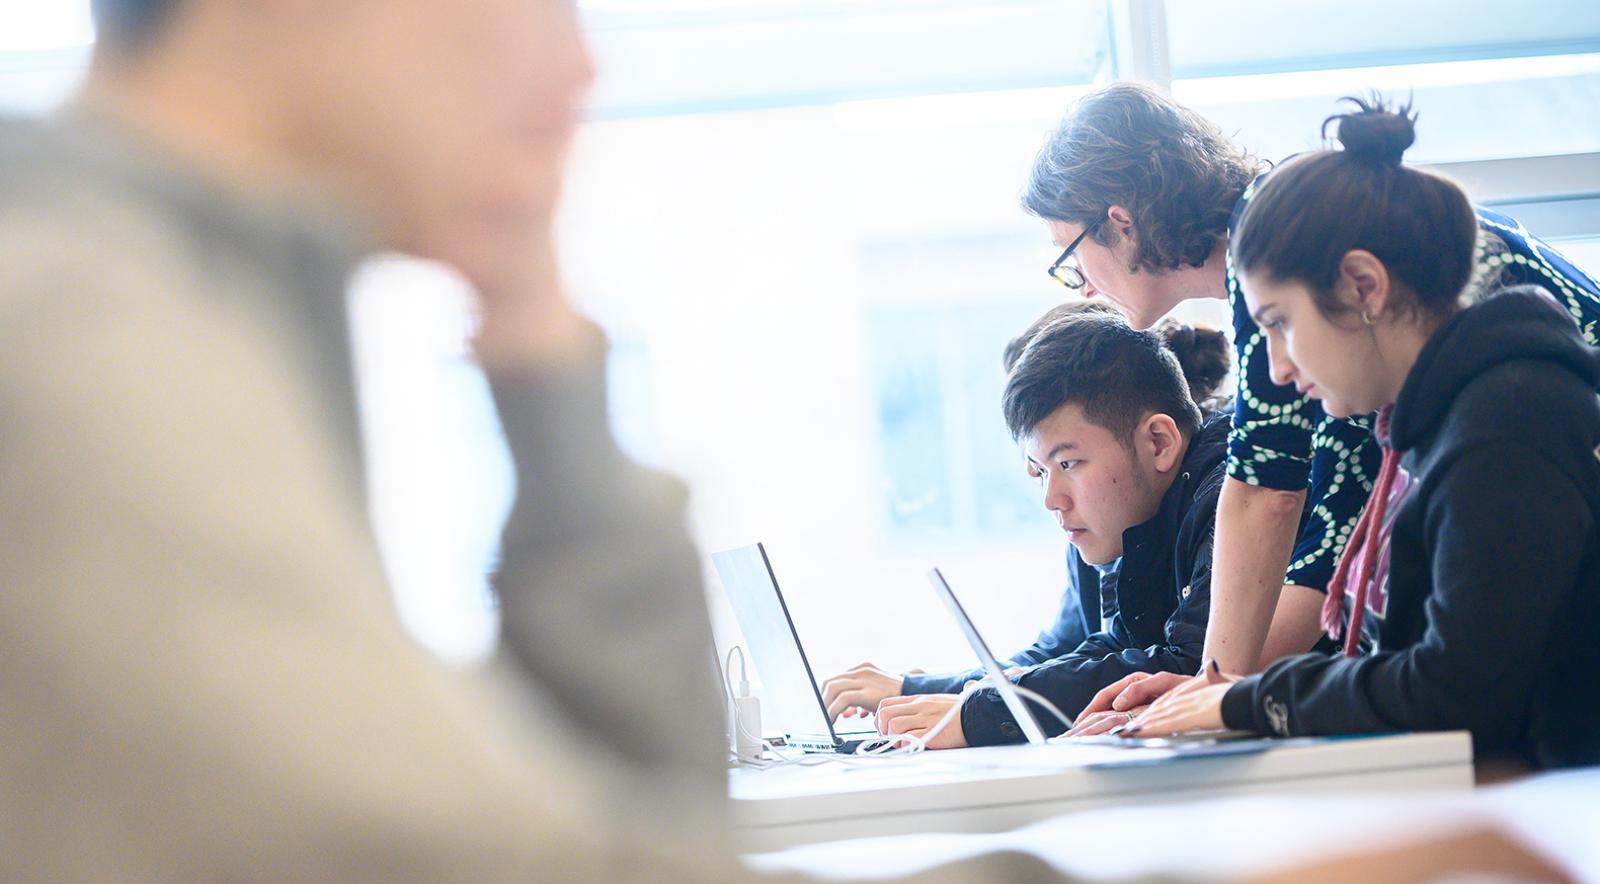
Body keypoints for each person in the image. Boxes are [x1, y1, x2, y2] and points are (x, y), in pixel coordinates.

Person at [1023, 84, 1600, 719]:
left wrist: (1219, 694)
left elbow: (1270, 494)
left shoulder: (1270, 246)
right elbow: (1329, 536)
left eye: (1071, 259)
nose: (1081, 290)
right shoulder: (1289, 232)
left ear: (1120, 223)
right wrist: (1219, 694)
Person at [832, 308, 1234, 748]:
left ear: (1159, 442)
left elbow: (1189, 665)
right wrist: (953, 697)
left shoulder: (1224, 492)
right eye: (1041, 470)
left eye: (1068, 463)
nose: (1049, 500)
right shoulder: (1130, 516)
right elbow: (1101, 652)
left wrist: (976, 712)